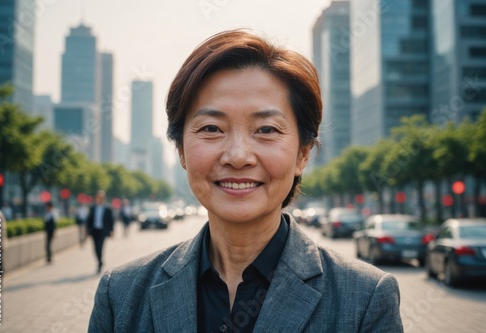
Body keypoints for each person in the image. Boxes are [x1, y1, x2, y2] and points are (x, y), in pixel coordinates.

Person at [89, 30, 403, 332]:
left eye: (266, 129)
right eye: (212, 128)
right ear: (181, 151)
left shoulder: (365, 299)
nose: (238, 156)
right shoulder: (120, 294)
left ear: (302, 155)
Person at [86, 190, 114, 274]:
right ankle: (100, 261)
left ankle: (99, 263)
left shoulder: (107, 208)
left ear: (104, 198)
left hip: (103, 230)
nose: (100, 199)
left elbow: (110, 220)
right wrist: (87, 229)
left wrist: (112, 230)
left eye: (102, 197)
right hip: (94, 230)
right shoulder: (92, 207)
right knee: (95, 248)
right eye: (99, 197)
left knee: (100, 246)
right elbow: (89, 219)